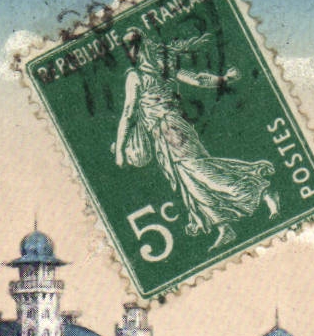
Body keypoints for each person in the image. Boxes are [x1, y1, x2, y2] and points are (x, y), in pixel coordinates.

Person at [112, 28, 278, 251]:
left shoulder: (139, 76)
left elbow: (128, 112)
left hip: (172, 130)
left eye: (133, 47)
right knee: (188, 180)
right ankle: (223, 226)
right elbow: (198, 80)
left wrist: (120, 150)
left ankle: (261, 189)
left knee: (200, 171)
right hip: (163, 135)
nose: (133, 52)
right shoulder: (160, 68)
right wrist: (223, 79)